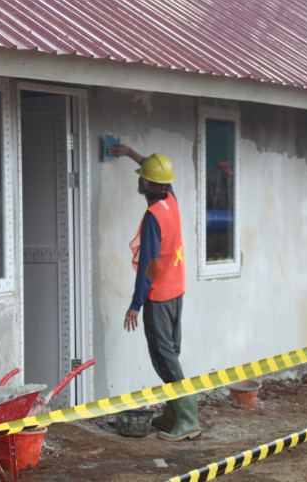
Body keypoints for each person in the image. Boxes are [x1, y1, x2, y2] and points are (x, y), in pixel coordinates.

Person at [106, 142, 201, 442]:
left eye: (141, 176)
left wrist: (136, 304)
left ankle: (188, 418)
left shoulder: (152, 217)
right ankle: (173, 413)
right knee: (171, 351)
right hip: (177, 291)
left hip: (158, 296)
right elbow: (156, 168)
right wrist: (129, 153)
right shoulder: (170, 198)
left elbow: (148, 266)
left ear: (147, 184)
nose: (139, 179)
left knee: (164, 356)